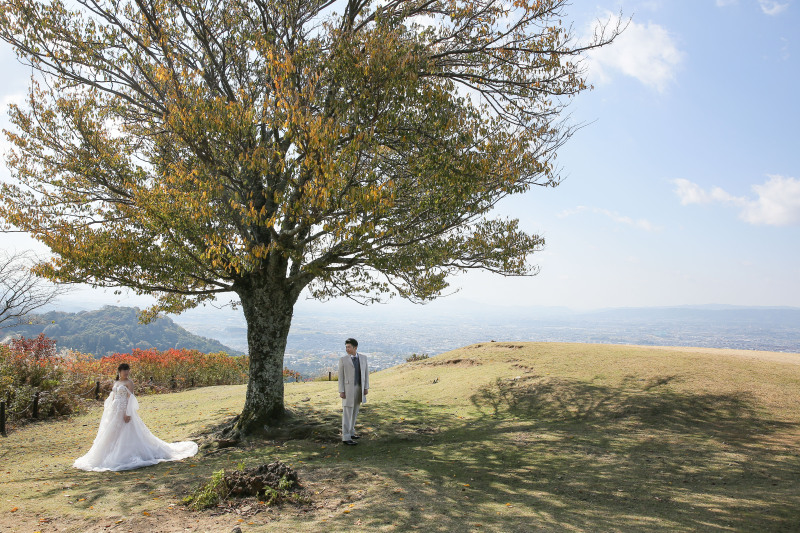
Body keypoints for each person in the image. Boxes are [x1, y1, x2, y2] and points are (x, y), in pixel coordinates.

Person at [73, 363, 198, 471]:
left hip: (124, 408)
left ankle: (125, 454)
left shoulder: (129, 383)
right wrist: (110, 408)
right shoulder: (116, 382)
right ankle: (108, 454)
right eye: (124, 370)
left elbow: (130, 398)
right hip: (115, 410)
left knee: (127, 431)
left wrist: (127, 413)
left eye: (127, 370)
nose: (126, 373)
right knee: (111, 432)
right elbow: (113, 395)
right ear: (119, 371)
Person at [338, 338, 369, 446]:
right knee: (347, 413)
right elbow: (340, 377)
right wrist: (341, 391)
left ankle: (351, 432)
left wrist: (366, 388)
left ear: (355, 348)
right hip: (347, 390)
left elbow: (366, 374)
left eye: (349, 347)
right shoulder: (343, 359)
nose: (347, 349)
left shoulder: (364, 358)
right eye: (346, 347)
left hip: (359, 389)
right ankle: (346, 437)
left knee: (355, 412)